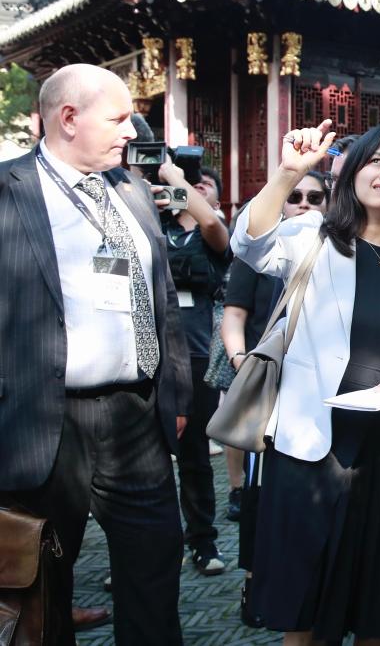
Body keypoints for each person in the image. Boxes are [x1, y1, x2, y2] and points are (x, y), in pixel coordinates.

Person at [232, 120, 380, 645]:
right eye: (377, 161)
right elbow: (250, 243)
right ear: (353, 173)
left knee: (379, 615)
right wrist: (287, 174)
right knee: (303, 614)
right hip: (308, 449)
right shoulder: (313, 236)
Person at [0, 63, 191, 644]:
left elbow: (163, 297)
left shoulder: (131, 190)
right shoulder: (8, 190)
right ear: (68, 118)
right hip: (44, 421)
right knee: (43, 588)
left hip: (137, 417)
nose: (132, 131)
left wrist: (175, 393)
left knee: (156, 564)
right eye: (118, 119)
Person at [220, 170, 328, 627]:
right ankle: (255, 585)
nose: (304, 203)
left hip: (313, 394)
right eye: (295, 195)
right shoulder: (264, 251)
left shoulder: (334, 250)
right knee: (258, 491)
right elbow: (234, 315)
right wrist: (241, 361)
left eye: (315, 197)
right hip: (267, 381)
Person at [159, 155, 231, 576]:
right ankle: (151, 546)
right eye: (189, 183)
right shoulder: (154, 225)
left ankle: (202, 540)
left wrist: (176, 178)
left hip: (197, 352)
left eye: (203, 184)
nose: (193, 187)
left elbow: (209, 223)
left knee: (195, 457)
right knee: (148, 459)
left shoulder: (212, 233)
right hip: (153, 353)